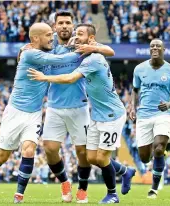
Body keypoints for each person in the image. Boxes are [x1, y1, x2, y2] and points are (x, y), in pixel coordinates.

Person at [27, 23, 135, 204]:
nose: (76, 37)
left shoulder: (92, 59)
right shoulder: (83, 52)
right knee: (91, 157)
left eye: (80, 34)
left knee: (101, 157)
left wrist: (44, 77)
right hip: (97, 114)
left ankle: (112, 194)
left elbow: (70, 78)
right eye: (75, 34)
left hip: (112, 114)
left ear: (91, 39)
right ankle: (125, 171)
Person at [0, 22, 81, 204]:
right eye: (49, 34)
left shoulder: (46, 50)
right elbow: (58, 60)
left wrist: (71, 43)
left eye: (53, 34)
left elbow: (58, 51)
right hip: (15, 112)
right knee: (2, 157)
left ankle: (19, 196)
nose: (53, 37)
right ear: (35, 38)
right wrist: (79, 51)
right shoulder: (29, 54)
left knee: (29, 150)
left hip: (34, 113)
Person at [128, 39, 170, 198]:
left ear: (163, 49)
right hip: (144, 115)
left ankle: (153, 188)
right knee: (144, 158)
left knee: (159, 147)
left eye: (158, 46)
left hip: (164, 114)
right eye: (152, 46)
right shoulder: (139, 69)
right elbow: (135, 90)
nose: (154, 48)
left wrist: (169, 104)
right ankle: (156, 158)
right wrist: (132, 106)